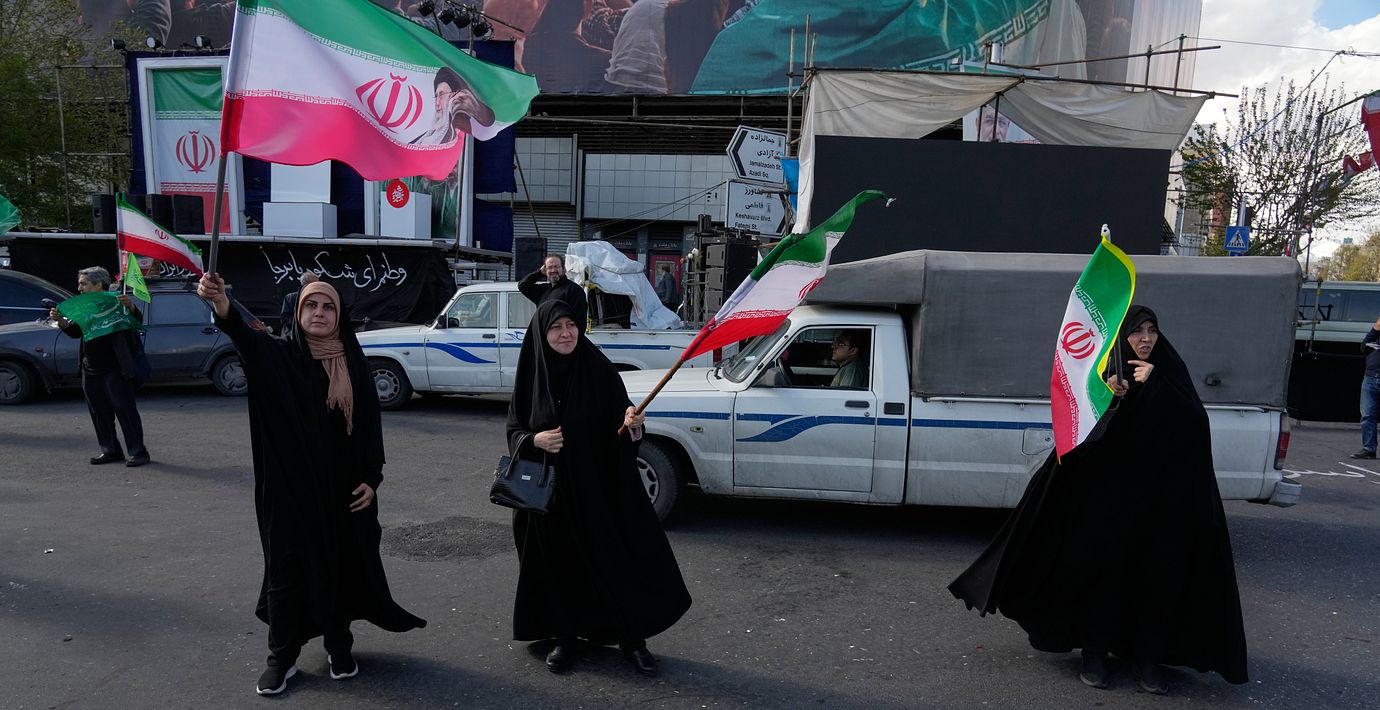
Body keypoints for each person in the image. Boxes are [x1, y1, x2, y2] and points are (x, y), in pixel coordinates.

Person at [948, 305, 1248, 695]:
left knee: (1155, 582)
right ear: (1122, 336)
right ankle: (1094, 654)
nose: (1145, 339)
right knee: (1101, 578)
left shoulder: (1169, 372)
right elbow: (1077, 437)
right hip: (1105, 505)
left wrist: (1156, 384)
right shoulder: (1104, 373)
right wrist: (1107, 395)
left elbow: (1195, 426)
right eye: (1136, 331)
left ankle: (1147, 660)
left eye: (1152, 330)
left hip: (1158, 509)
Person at [196, 272, 426, 696]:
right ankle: (281, 659)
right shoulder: (280, 355)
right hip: (288, 493)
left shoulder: (353, 360)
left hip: (343, 493)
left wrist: (372, 480)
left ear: (340, 316)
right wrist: (221, 303)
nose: (319, 313)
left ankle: (340, 647)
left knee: (339, 567)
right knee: (286, 573)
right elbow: (244, 336)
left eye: (328, 307)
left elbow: (370, 428)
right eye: (310, 306)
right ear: (298, 312)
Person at [506, 300, 691, 676]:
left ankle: (632, 640)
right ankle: (565, 636)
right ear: (542, 335)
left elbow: (622, 419)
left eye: (571, 325)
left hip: (599, 490)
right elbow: (514, 432)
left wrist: (632, 423)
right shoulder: (531, 376)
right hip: (551, 496)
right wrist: (535, 440)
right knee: (560, 566)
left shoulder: (598, 369)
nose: (565, 334)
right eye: (555, 327)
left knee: (614, 561)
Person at [50, 267, 150, 467]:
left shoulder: (117, 303)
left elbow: (136, 323)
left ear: (98, 285)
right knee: (99, 413)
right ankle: (110, 450)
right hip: (91, 369)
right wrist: (61, 321)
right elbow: (77, 332)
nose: (80, 288)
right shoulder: (86, 307)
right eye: (80, 283)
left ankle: (138, 452)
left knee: (125, 411)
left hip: (116, 369)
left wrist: (131, 308)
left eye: (84, 284)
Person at [411, 67, 496, 146]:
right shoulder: (419, 140)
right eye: (436, 96)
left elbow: (487, 128)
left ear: (457, 95)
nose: (437, 103)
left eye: (442, 95)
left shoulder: (461, 127)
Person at [518, 255, 588, 329]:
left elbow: (580, 323)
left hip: (564, 338)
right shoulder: (542, 290)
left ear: (564, 269)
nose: (553, 270)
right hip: (544, 338)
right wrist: (539, 272)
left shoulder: (574, 290)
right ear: (545, 270)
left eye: (556, 267)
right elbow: (523, 286)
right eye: (549, 267)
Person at [1351, 316, 1380, 459]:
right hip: (1371, 377)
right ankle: (1369, 448)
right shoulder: (1375, 334)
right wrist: (1375, 329)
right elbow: (1363, 348)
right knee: (1367, 415)